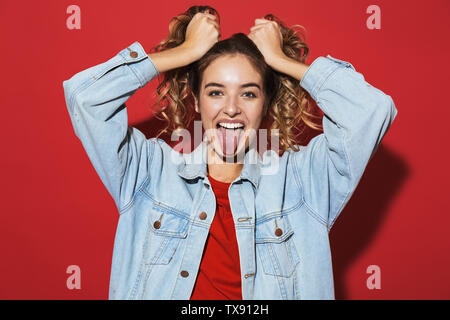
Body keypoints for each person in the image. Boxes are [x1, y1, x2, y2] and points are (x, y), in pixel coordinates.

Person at [62, 5, 397, 300]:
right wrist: (183, 53)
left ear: (265, 103)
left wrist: (281, 61)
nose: (232, 109)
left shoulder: (301, 183)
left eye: (249, 94)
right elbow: (85, 99)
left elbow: (371, 111)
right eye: (216, 92)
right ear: (196, 99)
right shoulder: (148, 171)